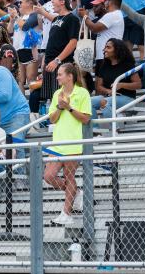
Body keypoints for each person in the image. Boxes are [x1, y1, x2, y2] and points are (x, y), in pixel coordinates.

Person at [45, 63, 91, 225]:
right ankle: (76, 193)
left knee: (69, 176)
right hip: (58, 143)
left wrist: (69, 107)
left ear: (70, 76)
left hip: (74, 142)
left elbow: (86, 118)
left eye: (60, 74)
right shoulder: (58, 93)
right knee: (48, 176)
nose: (57, 77)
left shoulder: (82, 93)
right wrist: (59, 106)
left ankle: (66, 213)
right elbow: (52, 118)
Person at [39, 0, 80, 102]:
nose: (52, 2)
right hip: (49, 62)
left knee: (62, 97)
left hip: (61, 63)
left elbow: (73, 42)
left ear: (62, 2)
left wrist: (57, 60)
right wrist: (45, 60)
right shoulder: (56, 19)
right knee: (51, 98)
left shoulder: (72, 19)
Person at [90, 38, 141, 119]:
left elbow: (138, 84)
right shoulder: (104, 66)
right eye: (105, 47)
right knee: (88, 102)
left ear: (117, 49)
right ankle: (96, 129)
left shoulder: (127, 65)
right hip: (109, 96)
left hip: (127, 97)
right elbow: (98, 86)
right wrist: (108, 91)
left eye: (108, 47)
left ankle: (115, 129)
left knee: (105, 102)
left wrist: (121, 85)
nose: (104, 50)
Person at [78, 0, 125, 67]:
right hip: (104, 56)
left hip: (108, 56)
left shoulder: (113, 15)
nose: (105, 2)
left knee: (102, 78)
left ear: (110, 2)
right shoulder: (113, 15)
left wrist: (85, 16)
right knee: (99, 78)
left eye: (106, 1)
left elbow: (94, 28)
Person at [7, 0, 41, 86]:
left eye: (21, 2)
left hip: (30, 50)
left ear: (29, 3)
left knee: (31, 79)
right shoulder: (20, 17)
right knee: (20, 81)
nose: (19, 5)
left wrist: (16, 16)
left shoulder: (34, 15)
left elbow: (25, 27)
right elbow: (9, 31)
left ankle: (33, 100)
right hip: (18, 50)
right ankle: (23, 101)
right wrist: (12, 19)